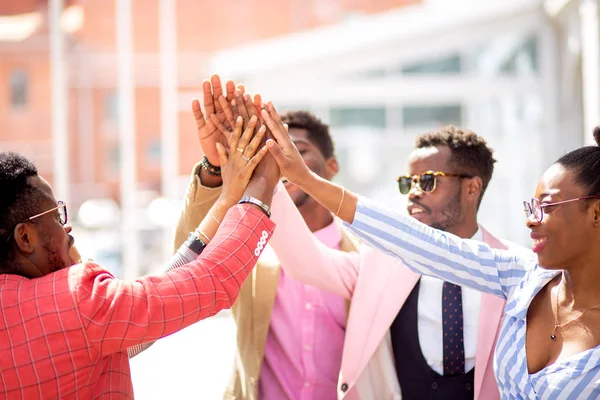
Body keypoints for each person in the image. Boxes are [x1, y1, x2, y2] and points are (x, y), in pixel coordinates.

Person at [264, 101, 600, 398]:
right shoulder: (517, 277)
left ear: (472, 188)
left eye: (428, 181)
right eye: (407, 183)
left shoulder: (517, 265)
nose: (413, 193)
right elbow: (410, 242)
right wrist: (281, 181)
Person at [0, 115, 280, 399]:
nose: (67, 229)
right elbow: (212, 281)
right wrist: (263, 182)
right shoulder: (76, 300)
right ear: (25, 238)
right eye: (57, 217)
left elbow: (142, 320)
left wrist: (226, 198)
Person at [173, 75, 357, 400]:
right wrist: (217, 167)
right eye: (269, 152)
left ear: (331, 166)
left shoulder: (363, 257)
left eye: (296, 151)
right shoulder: (250, 244)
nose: (282, 162)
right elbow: (187, 263)